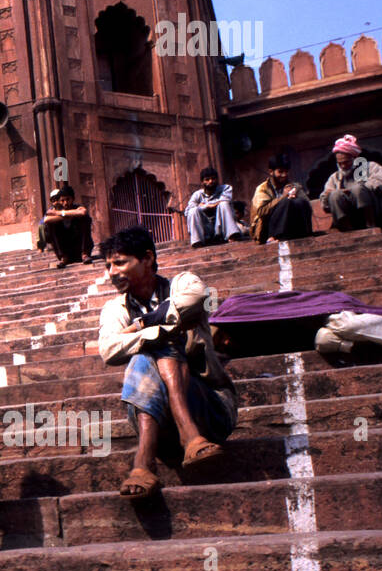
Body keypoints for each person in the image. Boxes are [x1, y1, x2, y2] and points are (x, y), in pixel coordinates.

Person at [98, 226, 237, 499]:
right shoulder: (114, 308)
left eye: (120, 262)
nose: (111, 272)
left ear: (148, 258)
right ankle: (187, 438)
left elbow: (198, 297)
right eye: (108, 265)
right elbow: (108, 349)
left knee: (158, 347)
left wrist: (142, 325)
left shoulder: (182, 283)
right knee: (149, 351)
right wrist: (159, 331)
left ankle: (143, 463)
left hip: (211, 410)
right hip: (156, 421)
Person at [321, 134, 382, 232]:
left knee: (358, 189)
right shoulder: (335, 177)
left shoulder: (371, 167)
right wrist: (330, 194)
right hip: (351, 217)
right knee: (335, 194)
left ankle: (371, 225)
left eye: (346, 162)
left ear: (355, 158)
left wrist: (362, 188)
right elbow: (324, 202)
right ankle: (347, 229)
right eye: (340, 163)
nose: (343, 166)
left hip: (375, 213)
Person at [250, 154, 314, 243]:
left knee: (300, 202)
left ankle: (305, 233)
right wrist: (283, 197)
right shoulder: (262, 188)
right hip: (266, 230)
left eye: (286, 171)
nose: (284, 175)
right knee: (286, 202)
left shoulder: (293, 185)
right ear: (271, 172)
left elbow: (307, 205)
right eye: (280, 172)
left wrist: (295, 197)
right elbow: (261, 211)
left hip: (291, 227)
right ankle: (275, 237)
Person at [184, 167, 243, 247]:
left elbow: (225, 200)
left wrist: (203, 205)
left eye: (213, 178)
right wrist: (207, 206)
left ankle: (232, 235)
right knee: (193, 211)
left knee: (224, 204)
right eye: (207, 179)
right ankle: (197, 241)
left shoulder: (225, 188)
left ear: (217, 179)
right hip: (206, 229)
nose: (211, 181)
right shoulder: (197, 195)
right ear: (202, 182)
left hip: (221, 228)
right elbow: (187, 211)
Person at [41, 187, 93, 268]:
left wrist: (60, 214)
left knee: (85, 218)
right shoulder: (54, 210)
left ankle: (84, 254)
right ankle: (63, 257)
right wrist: (70, 215)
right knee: (50, 224)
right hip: (66, 249)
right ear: (59, 201)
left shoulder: (77, 207)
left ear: (73, 199)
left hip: (78, 247)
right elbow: (46, 219)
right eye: (62, 200)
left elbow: (83, 212)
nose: (65, 203)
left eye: (68, 199)